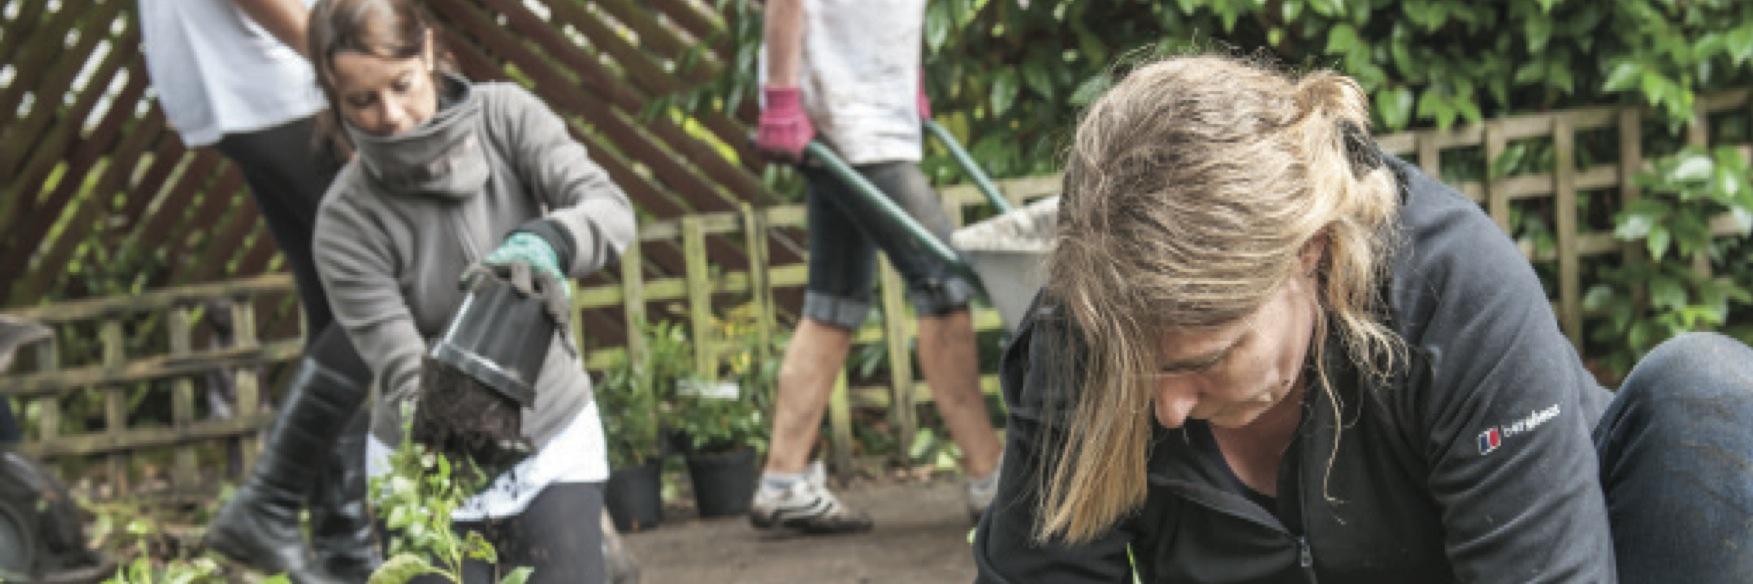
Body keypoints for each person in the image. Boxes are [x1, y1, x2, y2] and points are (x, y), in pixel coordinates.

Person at [972, 55, 1753, 583]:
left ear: (1307, 251)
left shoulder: (1450, 289)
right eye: (1139, 373)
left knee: (1707, 392)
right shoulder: (1080, 329)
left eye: (1206, 356)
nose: (1164, 408)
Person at [305, 1, 634, 582]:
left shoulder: (506, 118)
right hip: (427, 459)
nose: (393, 115)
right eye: (362, 101)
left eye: (402, 86)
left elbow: (609, 210)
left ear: (429, 52)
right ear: (333, 96)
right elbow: (402, 366)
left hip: (551, 434)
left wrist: (552, 239)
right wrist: (453, 433)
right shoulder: (346, 221)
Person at [137, 2, 378, 580]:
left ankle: (342, 549)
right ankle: (269, 503)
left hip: (256, 81)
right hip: (274, 80)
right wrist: (341, 65)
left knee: (335, 303)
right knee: (390, 279)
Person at [749, 0, 1005, 533]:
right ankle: (991, 476)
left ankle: (784, 480)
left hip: (861, 111)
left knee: (834, 301)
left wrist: (904, 83)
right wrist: (779, 99)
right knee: (944, 283)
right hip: (850, 117)